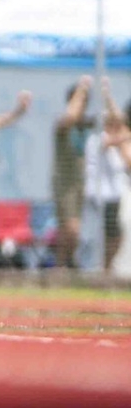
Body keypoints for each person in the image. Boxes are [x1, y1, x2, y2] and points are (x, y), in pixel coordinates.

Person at [80, 85, 127, 273]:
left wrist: (108, 95)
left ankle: (106, 268)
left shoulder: (118, 146)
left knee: (115, 235)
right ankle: (96, 269)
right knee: (97, 237)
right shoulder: (97, 138)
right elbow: (114, 138)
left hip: (113, 197)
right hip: (99, 197)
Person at [52, 78, 94, 268]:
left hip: (81, 184)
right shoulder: (62, 124)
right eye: (80, 100)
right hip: (65, 183)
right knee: (70, 229)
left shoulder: (86, 125)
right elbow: (70, 116)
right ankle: (66, 266)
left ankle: (63, 268)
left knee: (69, 231)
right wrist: (82, 88)